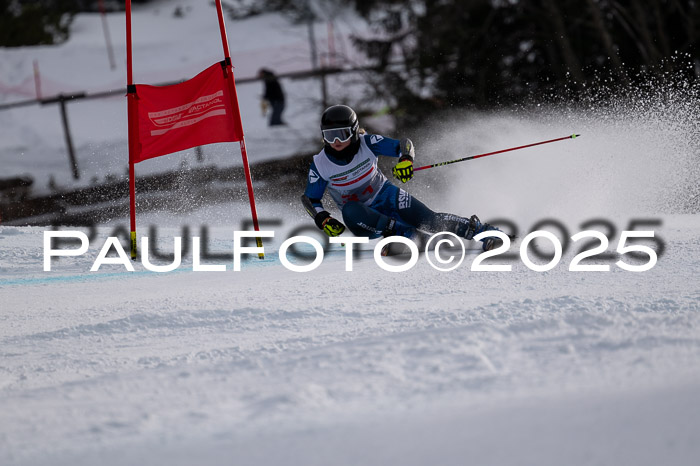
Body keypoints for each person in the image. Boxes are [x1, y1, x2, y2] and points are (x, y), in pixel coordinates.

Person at [301, 104, 503, 252]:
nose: (336, 141)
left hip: (386, 194)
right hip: (362, 216)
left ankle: (484, 232)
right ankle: (407, 235)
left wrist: (406, 160)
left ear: (353, 131)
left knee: (429, 220)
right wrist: (323, 219)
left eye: (342, 134)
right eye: (329, 136)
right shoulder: (320, 164)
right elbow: (311, 199)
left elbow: (403, 144)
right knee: (351, 210)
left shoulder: (368, 143)